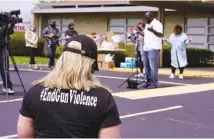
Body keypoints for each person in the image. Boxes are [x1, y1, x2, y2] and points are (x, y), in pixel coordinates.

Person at [17, 35, 121, 138]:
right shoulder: (103, 98)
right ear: (90, 65)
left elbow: (24, 135)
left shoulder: (34, 93)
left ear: (62, 60)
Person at [142, 12, 163, 89]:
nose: (145, 20)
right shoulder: (147, 24)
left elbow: (161, 35)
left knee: (153, 67)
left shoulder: (157, 24)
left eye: (146, 18)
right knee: (146, 66)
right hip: (146, 47)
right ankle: (148, 82)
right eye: (145, 18)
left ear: (151, 17)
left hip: (153, 48)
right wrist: (138, 32)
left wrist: (153, 30)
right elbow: (146, 34)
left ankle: (154, 83)